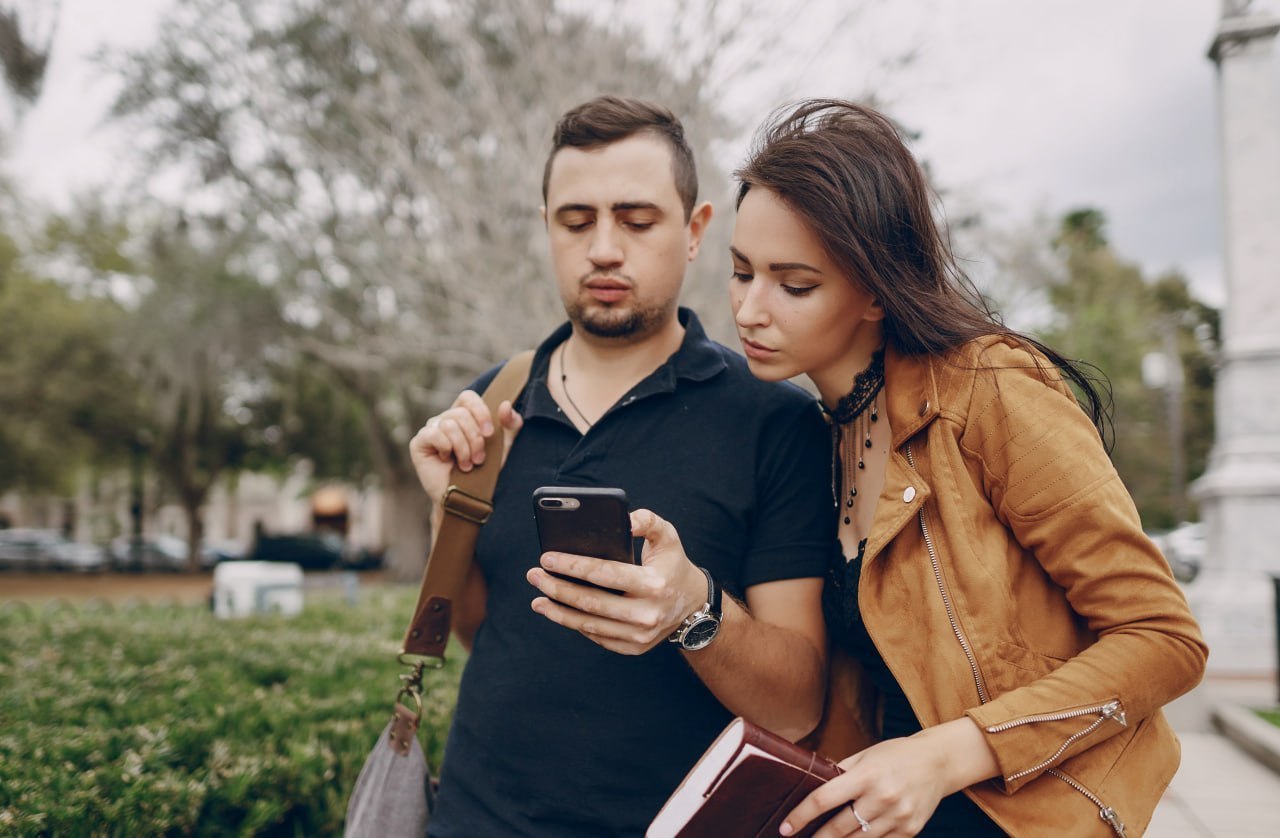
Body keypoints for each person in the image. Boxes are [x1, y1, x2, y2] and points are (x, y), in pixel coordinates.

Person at [661, 98, 1203, 837]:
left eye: (794, 285)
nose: (750, 310)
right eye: (741, 272)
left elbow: (1165, 639)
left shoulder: (987, 395)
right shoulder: (821, 439)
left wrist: (945, 756)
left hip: (1033, 815)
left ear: (877, 290)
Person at [408, 95, 835, 837]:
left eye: (637, 221)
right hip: (473, 819)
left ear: (696, 230)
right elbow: (485, 630)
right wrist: (451, 510)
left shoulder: (776, 421)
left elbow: (799, 704)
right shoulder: (490, 403)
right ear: (547, 228)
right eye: (577, 222)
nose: (604, 249)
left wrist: (692, 609)